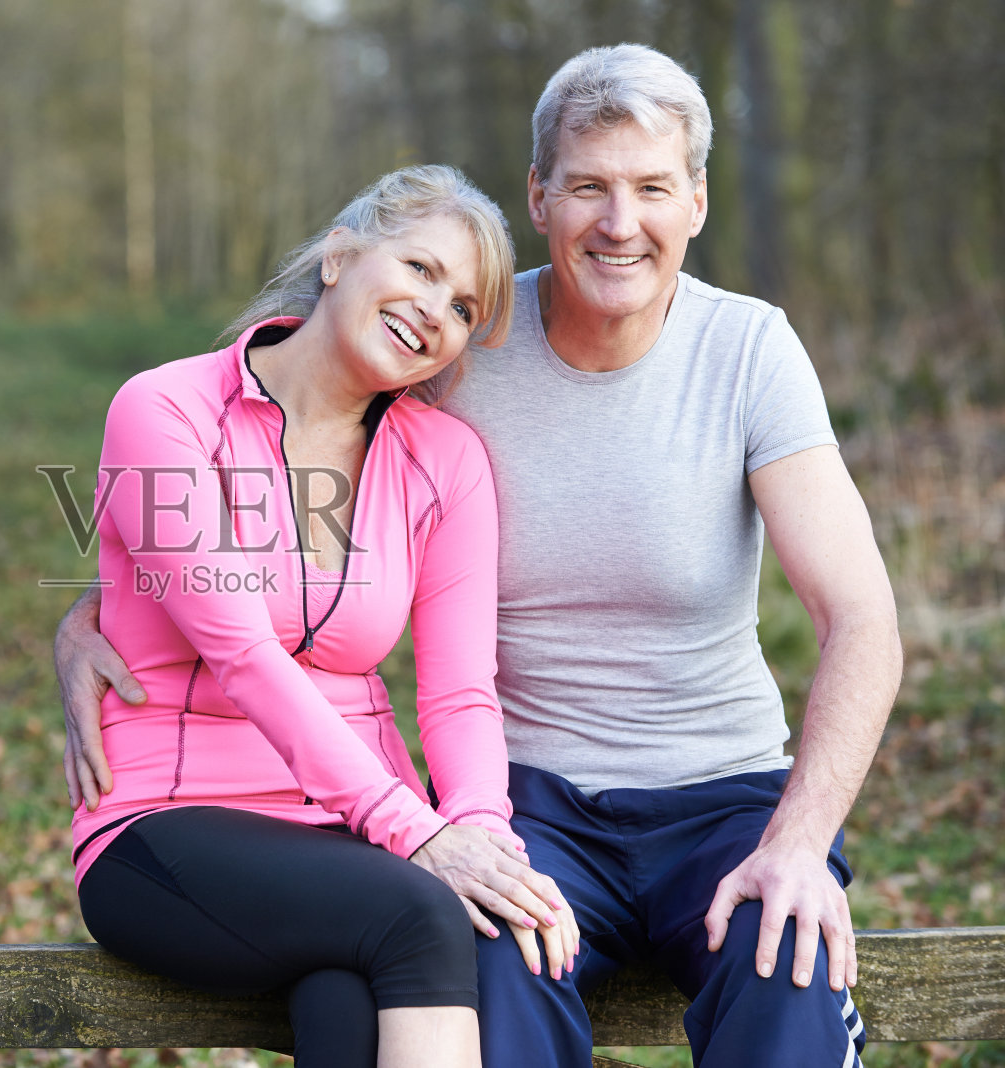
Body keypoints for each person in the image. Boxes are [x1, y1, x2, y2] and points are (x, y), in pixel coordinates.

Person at [57, 46, 901, 1068]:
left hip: (716, 794)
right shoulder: (464, 362)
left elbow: (859, 619)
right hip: (521, 798)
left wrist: (798, 843)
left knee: (785, 979)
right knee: (469, 957)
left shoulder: (734, 354)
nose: (619, 222)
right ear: (540, 195)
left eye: (650, 189)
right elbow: (228, 538)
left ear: (697, 202)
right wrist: (91, 613)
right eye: (589, 186)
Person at [66, 164, 579, 1068]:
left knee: (355, 993)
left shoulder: (446, 461)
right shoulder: (166, 410)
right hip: (167, 821)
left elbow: (460, 695)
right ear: (339, 256)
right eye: (421, 268)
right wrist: (421, 836)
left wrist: (483, 837)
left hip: (349, 842)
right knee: (417, 915)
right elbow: (243, 654)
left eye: (463, 307)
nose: (435, 311)